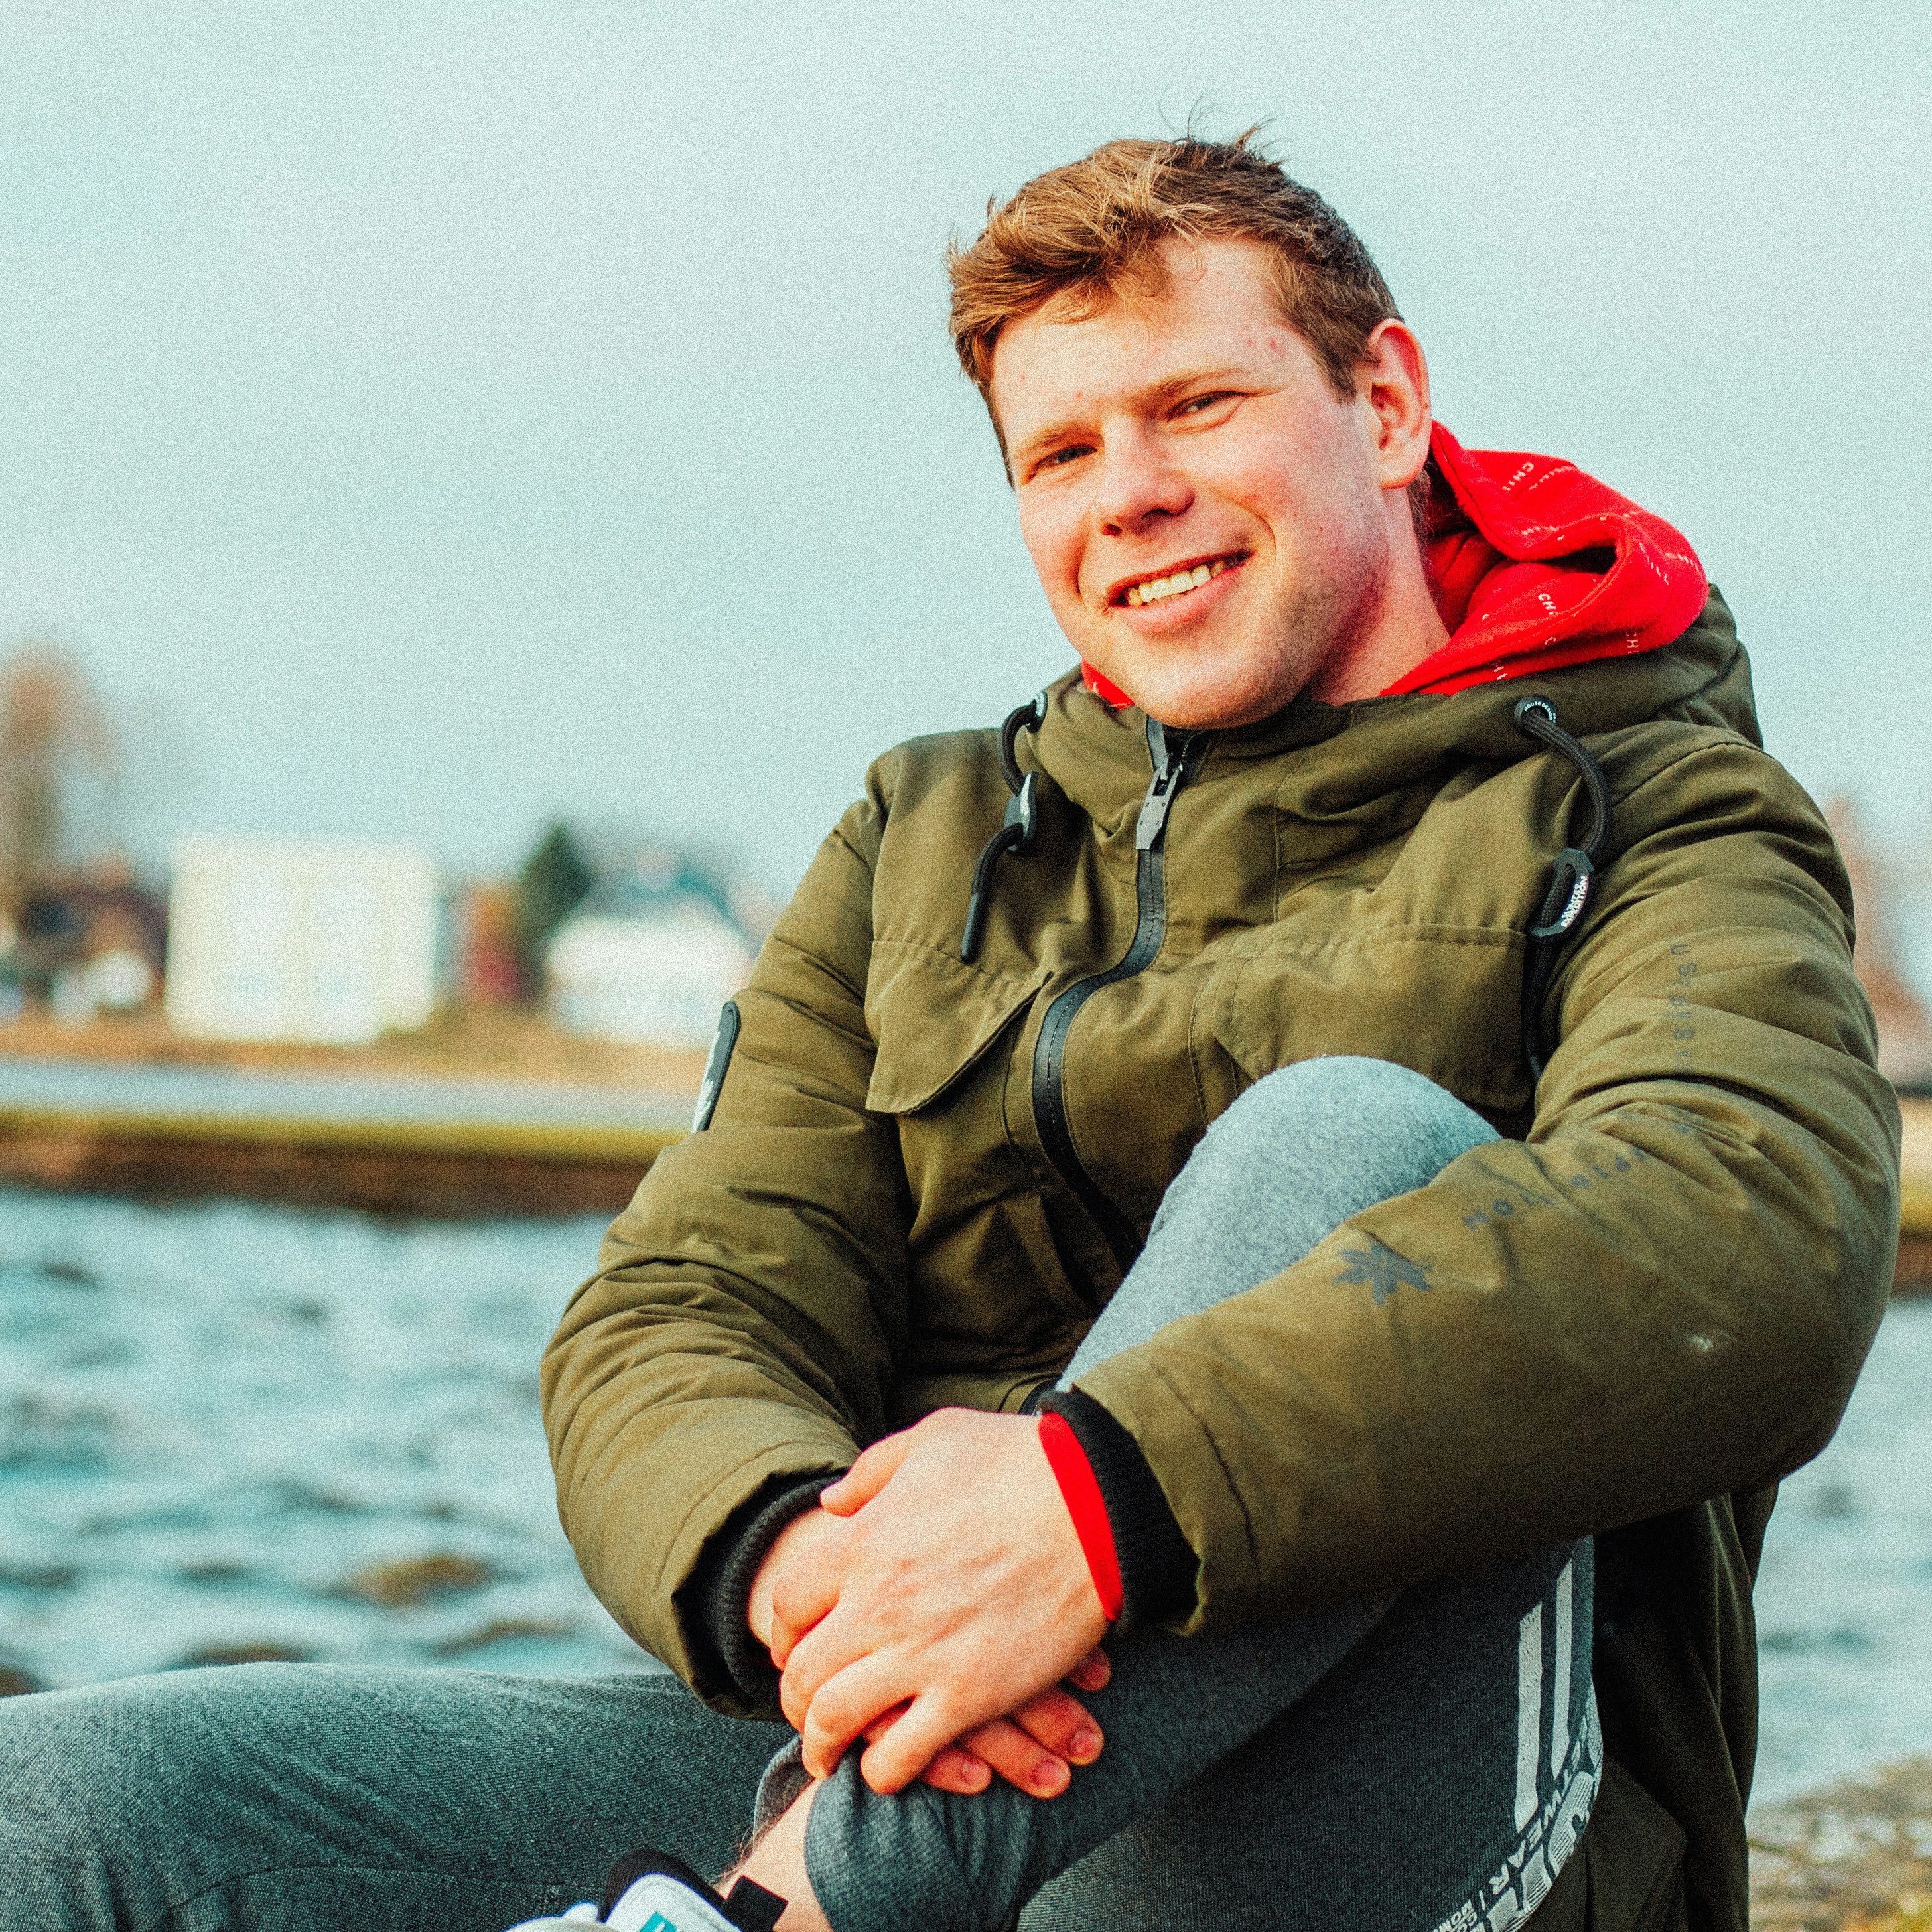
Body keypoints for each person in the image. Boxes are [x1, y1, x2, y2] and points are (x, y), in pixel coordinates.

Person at [0, 135, 1898, 1932]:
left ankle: (800, 1908)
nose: (1126, 490)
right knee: (65, 1816)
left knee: (1344, 1155)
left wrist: (1097, 1508)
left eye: (1198, 408)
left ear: (1387, 407)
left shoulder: (1664, 804)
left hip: (1437, 1826)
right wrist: (797, 1569)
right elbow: (685, 1305)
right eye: (1058, 449)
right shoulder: (924, 837)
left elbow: (1748, 1225)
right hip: (887, 1730)